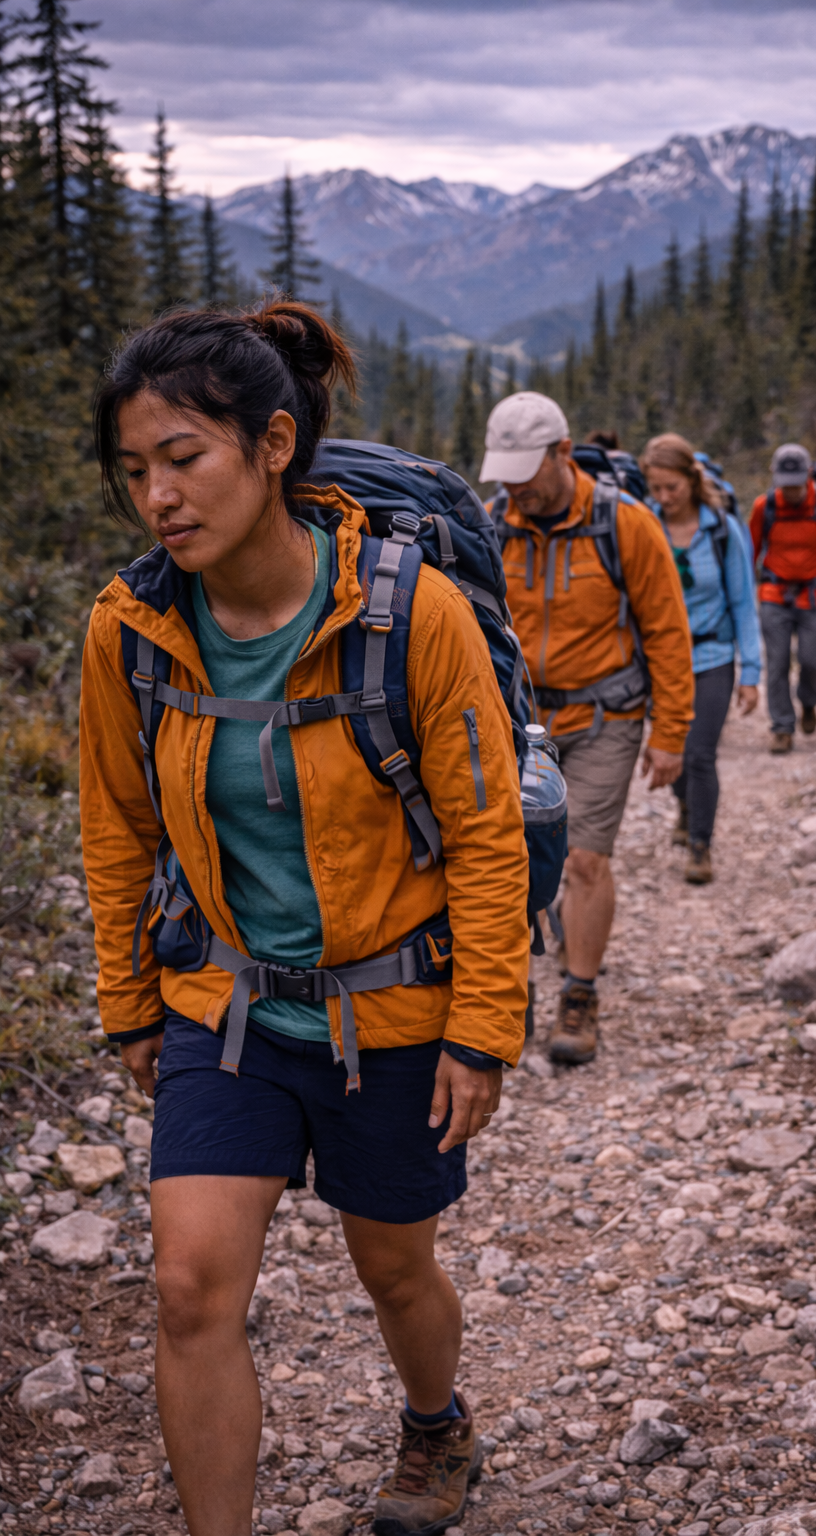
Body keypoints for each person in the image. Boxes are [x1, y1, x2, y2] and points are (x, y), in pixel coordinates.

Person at [81, 301, 530, 1536]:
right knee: (188, 1288)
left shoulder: (410, 616)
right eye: (135, 472)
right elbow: (118, 830)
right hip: (223, 1006)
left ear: (274, 445)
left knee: (393, 1266)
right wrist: (130, 1000)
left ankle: (436, 1427)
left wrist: (482, 1026)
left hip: (391, 1005)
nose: (158, 497)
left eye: (185, 457)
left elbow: (487, 835)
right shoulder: (131, 632)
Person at [481, 391, 693, 1065]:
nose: (517, 488)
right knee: (507, 858)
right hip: (517, 720)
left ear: (564, 453)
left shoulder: (625, 524)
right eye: (505, 474)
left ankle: (580, 992)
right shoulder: (490, 524)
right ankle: (512, 988)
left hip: (606, 716)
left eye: (527, 472)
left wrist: (672, 732)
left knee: (585, 859)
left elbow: (665, 628)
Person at [640, 433, 761, 884]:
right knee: (668, 750)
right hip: (658, 662)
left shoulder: (722, 530)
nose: (664, 497)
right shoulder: (643, 525)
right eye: (656, 488)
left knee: (700, 754)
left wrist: (751, 671)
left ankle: (700, 845)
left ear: (692, 480)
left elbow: (743, 602)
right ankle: (686, 805)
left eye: (672, 487)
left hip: (711, 656)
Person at [749, 442, 816, 754]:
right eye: (786, 486)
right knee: (777, 662)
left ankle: (808, 702)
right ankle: (782, 727)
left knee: (812, 660)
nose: (792, 492)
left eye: (797, 486)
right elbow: (749, 552)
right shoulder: (763, 507)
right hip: (774, 594)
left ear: (809, 476)